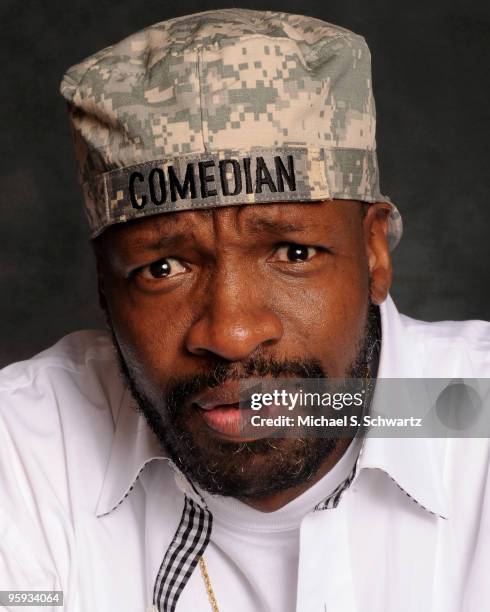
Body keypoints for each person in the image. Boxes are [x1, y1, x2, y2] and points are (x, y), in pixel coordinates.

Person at [0, 9, 488, 612]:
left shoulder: (472, 411)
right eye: (163, 268)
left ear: (373, 252)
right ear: (105, 285)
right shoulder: (25, 447)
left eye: (294, 252)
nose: (230, 334)